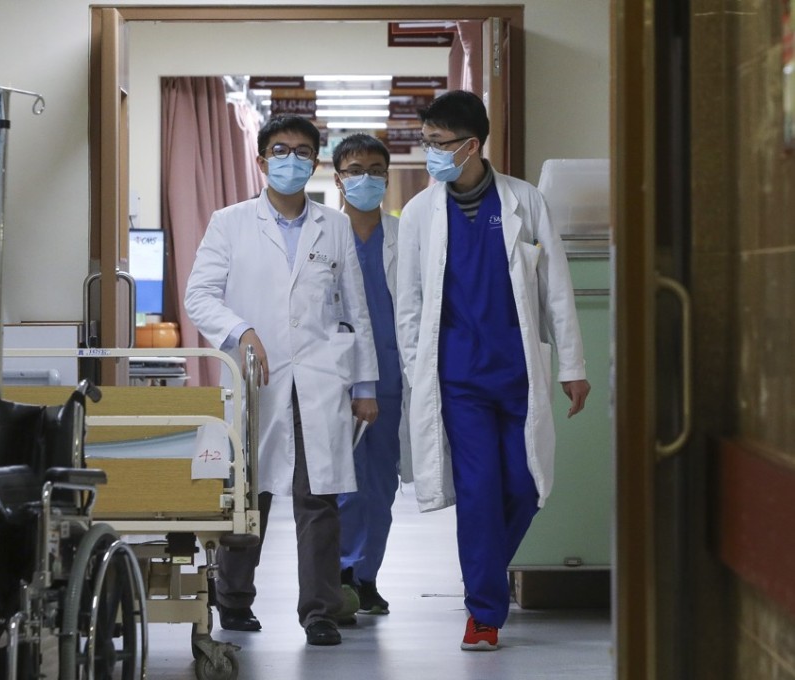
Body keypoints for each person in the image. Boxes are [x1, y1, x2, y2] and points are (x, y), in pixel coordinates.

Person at [394, 91, 591, 651]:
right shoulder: (419, 213)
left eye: (438, 143)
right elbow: (409, 303)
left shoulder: (525, 201)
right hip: (457, 378)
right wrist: (417, 372)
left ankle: (482, 572)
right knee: (479, 490)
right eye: (427, 142)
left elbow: (556, 288)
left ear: (472, 145)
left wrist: (573, 364)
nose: (430, 153)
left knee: (525, 487)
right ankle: (484, 612)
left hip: (518, 370)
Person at [184, 114, 379, 646]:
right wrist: (240, 330)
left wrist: (365, 385)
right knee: (250, 495)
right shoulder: (229, 222)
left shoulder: (333, 225)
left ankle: (319, 611)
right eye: (280, 150)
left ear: (314, 163)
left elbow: (355, 309)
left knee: (319, 498)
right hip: (257, 381)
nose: (290, 160)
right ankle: (233, 599)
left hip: (320, 378)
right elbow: (199, 295)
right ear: (261, 159)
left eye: (301, 151)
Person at [331, 133, 408, 618]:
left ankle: (366, 577)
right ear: (338, 179)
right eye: (356, 170)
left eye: (376, 170)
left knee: (380, 486)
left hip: (391, 378)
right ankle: (338, 573)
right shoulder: (323, 234)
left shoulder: (403, 235)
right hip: (335, 379)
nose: (367, 179)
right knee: (340, 482)